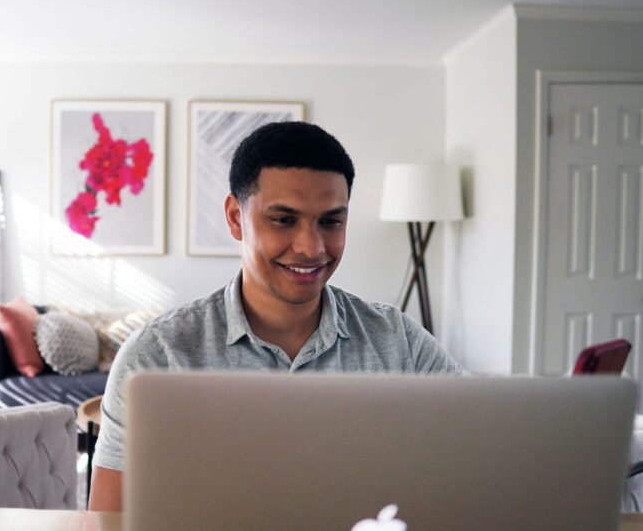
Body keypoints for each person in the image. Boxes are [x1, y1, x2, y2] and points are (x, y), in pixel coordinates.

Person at [87, 121, 462, 511]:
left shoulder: (398, 342)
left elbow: (475, 457)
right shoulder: (157, 354)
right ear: (235, 217)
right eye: (284, 220)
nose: (311, 247)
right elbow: (107, 521)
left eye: (331, 221)